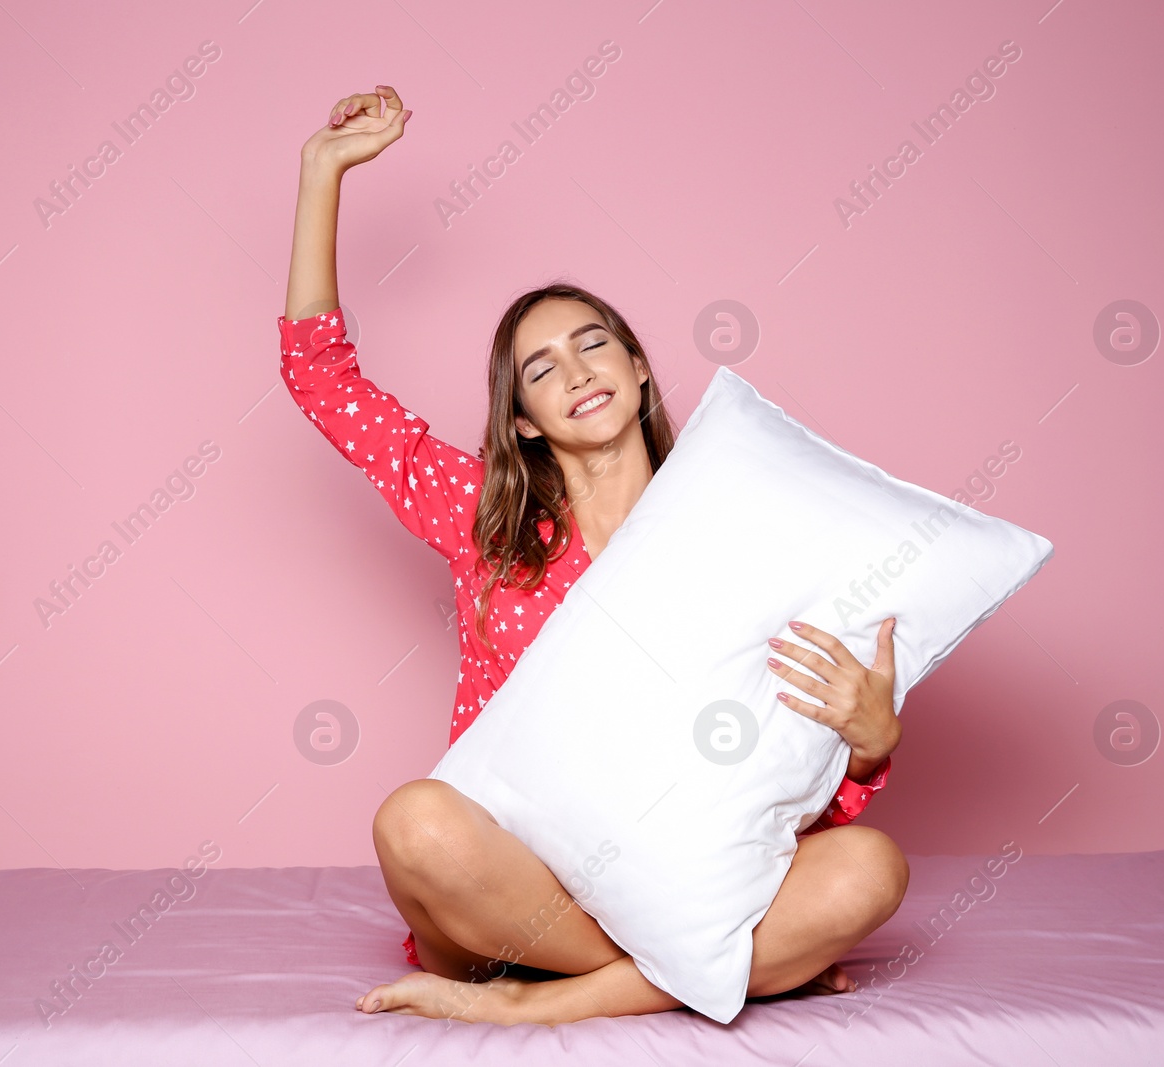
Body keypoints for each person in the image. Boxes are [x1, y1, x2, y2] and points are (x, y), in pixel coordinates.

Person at [280, 84, 907, 1027]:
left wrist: (873, 744)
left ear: (640, 365)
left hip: (682, 868)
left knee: (871, 867)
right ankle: (721, 965)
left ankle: (543, 1005)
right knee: (415, 824)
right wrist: (321, 170)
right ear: (524, 424)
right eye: (541, 369)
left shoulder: (735, 534)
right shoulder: (483, 519)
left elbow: (769, 771)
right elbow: (318, 374)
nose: (576, 372)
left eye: (593, 343)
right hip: (521, 889)